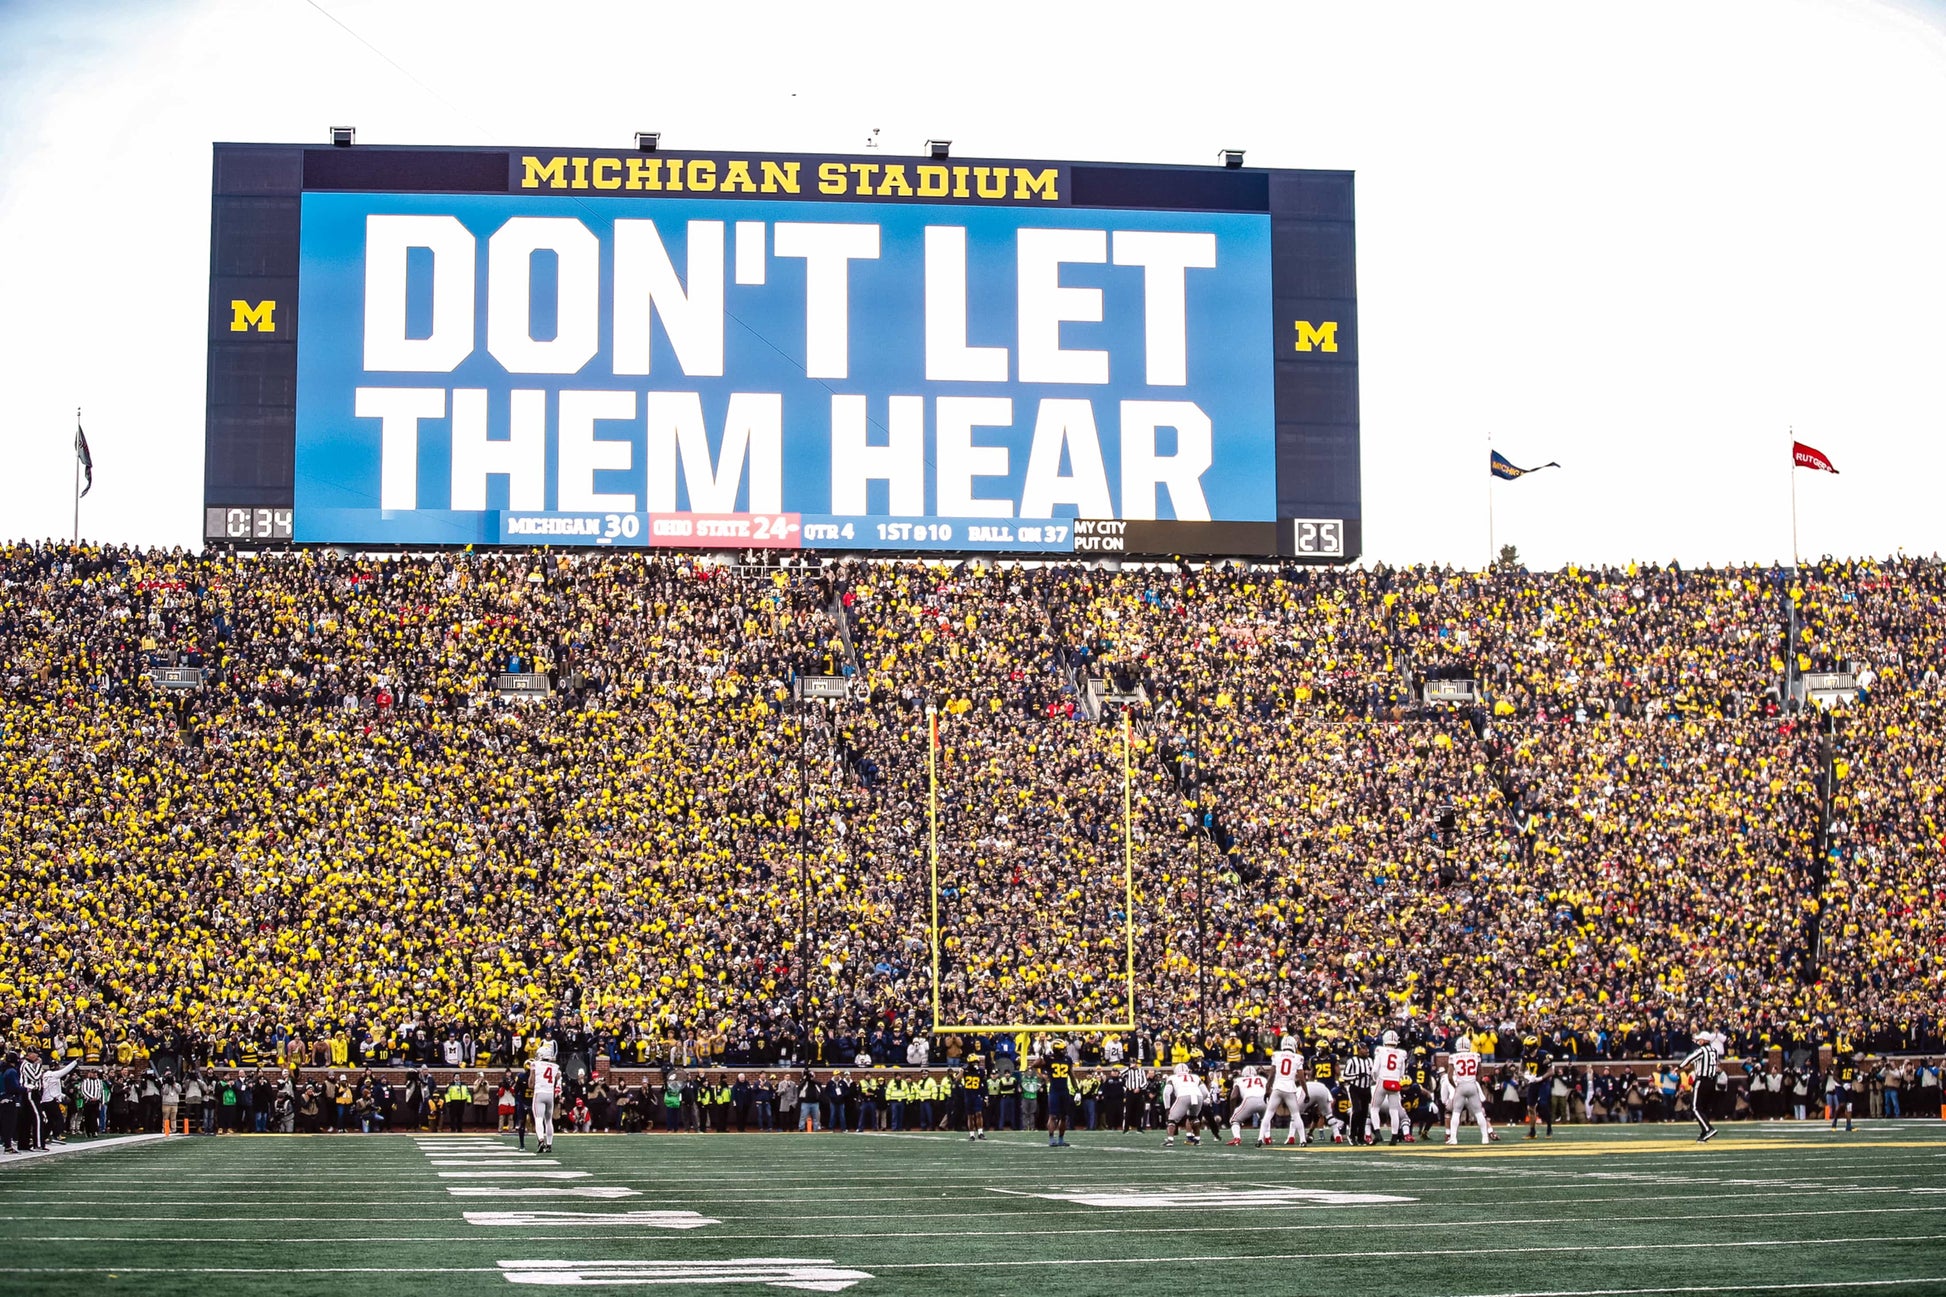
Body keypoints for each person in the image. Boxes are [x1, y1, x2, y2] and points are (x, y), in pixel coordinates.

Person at [1445, 1041, 1494, 1145]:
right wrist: (1475, 1082)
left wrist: (1455, 1086)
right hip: (1472, 1085)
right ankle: (1485, 1138)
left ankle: (1453, 1138)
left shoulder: (1453, 1057)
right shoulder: (1475, 1055)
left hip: (1461, 1085)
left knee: (1456, 1113)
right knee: (1479, 1113)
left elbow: (1449, 1076)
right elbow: (1480, 1073)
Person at [1260, 1035, 1305, 1147]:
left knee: (1268, 1113)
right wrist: (1306, 1092)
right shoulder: (1298, 1057)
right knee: (1296, 1115)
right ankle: (1303, 1140)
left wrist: (1267, 1088)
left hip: (1278, 1087)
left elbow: (1272, 1074)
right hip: (1290, 1089)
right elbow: (1301, 1078)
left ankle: (1260, 1138)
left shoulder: (1276, 1055)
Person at [1679, 1030, 1723, 1143]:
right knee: (1702, 1108)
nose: (1698, 1041)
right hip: (1712, 1081)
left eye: (1700, 1039)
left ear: (1703, 1040)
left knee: (1695, 1107)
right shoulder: (1714, 1051)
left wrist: (1679, 1067)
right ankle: (1704, 1132)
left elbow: (1689, 1059)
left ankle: (1708, 1129)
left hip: (1702, 1080)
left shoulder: (1701, 1050)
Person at [1371, 1030, 1409, 1145]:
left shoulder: (1380, 1050)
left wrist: (1376, 1079)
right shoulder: (1401, 1053)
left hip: (1382, 1080)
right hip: (1395, 1082)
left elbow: (1375, 1070)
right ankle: (1394, 1137)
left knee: (1374, 1108)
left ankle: (1377, 1133)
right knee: (1394, 1110)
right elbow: (1402, 1073)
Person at [1521, 1036, 1555, 1139]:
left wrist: (1540, 1078)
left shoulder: (1543, 1055)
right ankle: (1532, 1132)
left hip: (1543, 1082)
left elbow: (1551, 1072)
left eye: (1528, 1046)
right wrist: (1527, 1077)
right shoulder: (1525, 1055)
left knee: (1543, 1105)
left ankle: (1549, 1128)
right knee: (1530, 1107)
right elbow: (1520, 1070)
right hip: (1533, 1083)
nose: (1526, 1048)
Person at [1042, 1039, 1075, 1147]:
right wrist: (1043, 1055)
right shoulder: (1049, 1058)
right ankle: (1051, 1138)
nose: (1065, 1050)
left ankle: (1061, 1139)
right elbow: (1036, 1064)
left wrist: (1077, 1089)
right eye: (1063, 1049)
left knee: (1064, 1117)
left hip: (1064, 1090)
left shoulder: (1067, 1059)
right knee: (1052, 1116)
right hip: (1054, 1091)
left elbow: (1071, 1075)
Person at [1161, 1063, 1202, 1147]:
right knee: (1194, 1117)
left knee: (1171, 1119)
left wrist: (1167, 1108)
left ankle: (1170, 1140)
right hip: (1198, 1096)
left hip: (1183, 1095)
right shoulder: (1195, 1077)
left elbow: (1166, 1093)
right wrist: (1203, 1100)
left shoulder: (1172, 1077)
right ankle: (1197, 1139)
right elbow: (1205, 1092)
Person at [1227, 1065, 1267, 1146]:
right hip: (1263, 1099)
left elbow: (1233, 1097)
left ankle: (1237, 1138)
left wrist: (1232, 1112)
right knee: (1265, 1119)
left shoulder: (1239, 1080)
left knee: (1234, 1120)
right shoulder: (1262, 1079)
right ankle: (1267, 1137)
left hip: (1249, 1099)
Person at [961, 1052, 988, 1141]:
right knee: (970, 1116)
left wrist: (986, 1096)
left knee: (979, 1113)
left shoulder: (981, 1071)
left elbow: (984, 1084)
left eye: (976, 1062)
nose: (975, 1064)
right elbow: (957, 1079)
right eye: (973, 1062)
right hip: (968, 1095)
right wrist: (962, 1070)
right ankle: (972, 1134)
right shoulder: (965, 1071)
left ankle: (980, 1133)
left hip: (977, 1095)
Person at [1829, 1053, 1859, 1133]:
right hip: (1840, 1085)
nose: (1850, 1054)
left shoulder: (1851, 1062)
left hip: (1848, 1085)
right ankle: (1834, 1122)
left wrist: (1857, 1077)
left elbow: (1851, 1074)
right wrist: (1843, 1084)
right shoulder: (1839, 1062)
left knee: (1849, 1106)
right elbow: (1835, 1076)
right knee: (1842, 1104)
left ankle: (1848, 1125)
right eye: (1849, 1053)